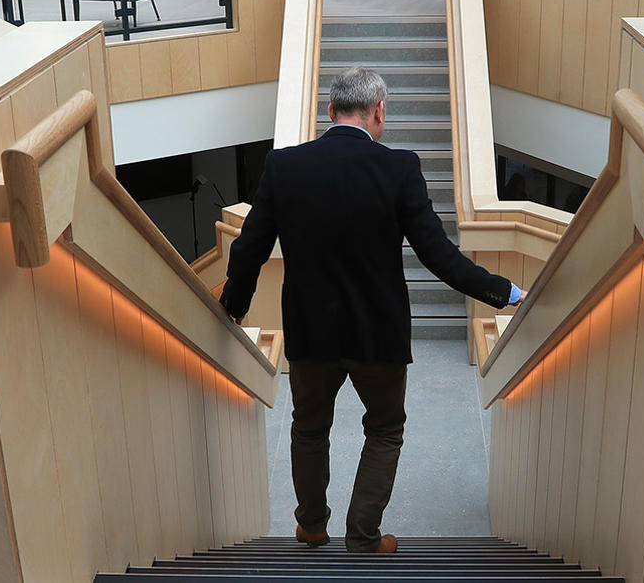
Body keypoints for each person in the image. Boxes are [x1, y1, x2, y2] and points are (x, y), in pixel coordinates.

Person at [219, 67, 523, 554]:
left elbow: (249, 248)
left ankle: (312, 526)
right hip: (376, 335)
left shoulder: (284, 165)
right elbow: (437, 255)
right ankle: (362, 536)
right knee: (384, 429)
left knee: (308, 427)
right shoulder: (399, 167)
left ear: (330, 111)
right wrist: (504, 292)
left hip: (311, 333)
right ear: (378, 112)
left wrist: (234, 303)